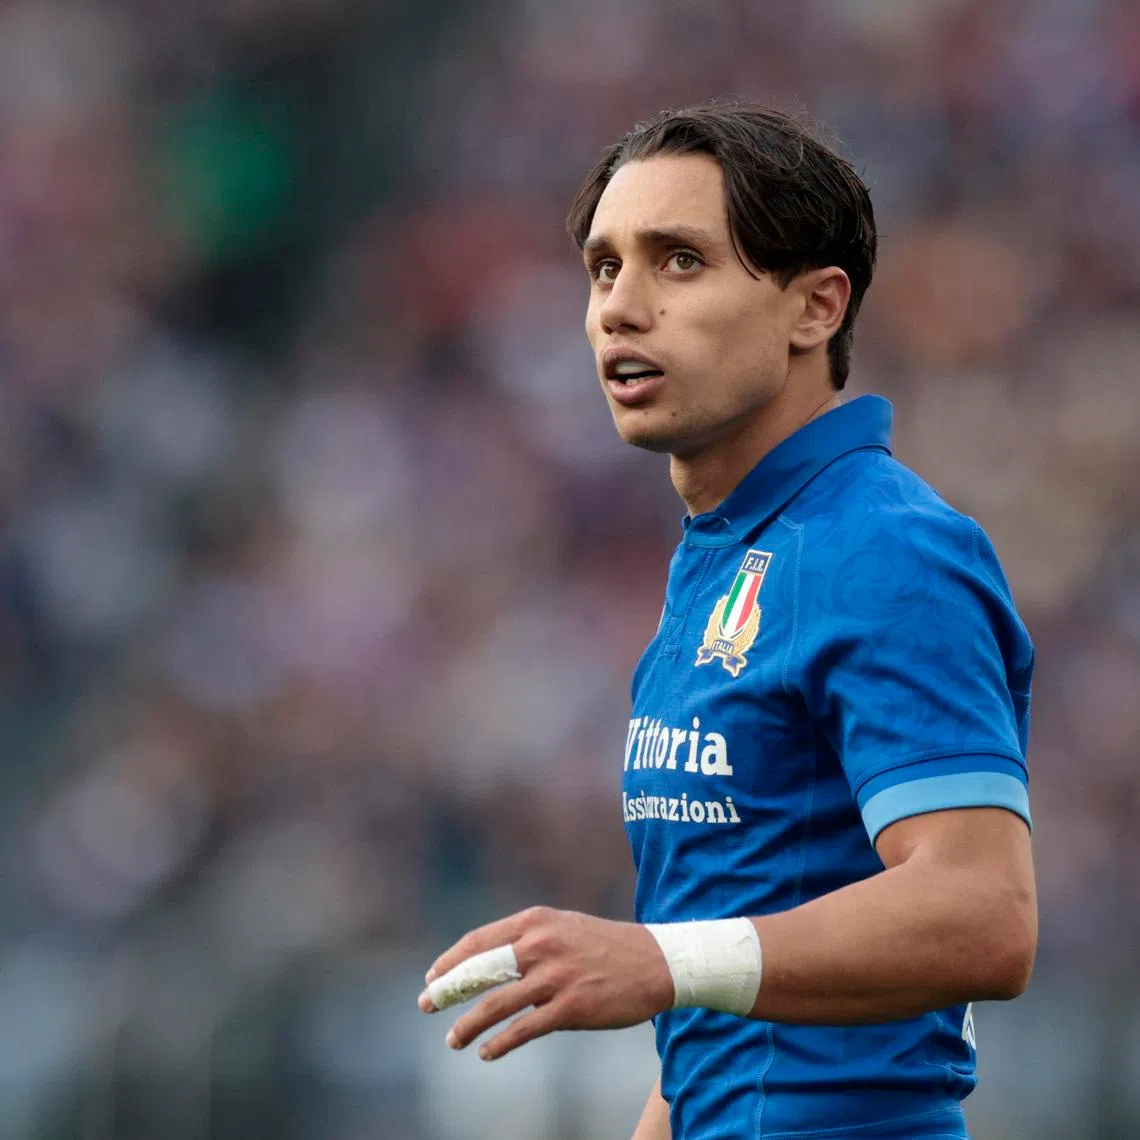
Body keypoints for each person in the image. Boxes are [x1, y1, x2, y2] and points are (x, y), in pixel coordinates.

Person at [417, 101, 1037, 1140]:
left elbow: (985, 914)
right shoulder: (725, 557)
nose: (620, 306)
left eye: (679, 262)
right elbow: (724, 1015)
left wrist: (655, 962)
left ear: (815, 308)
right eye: (604, 267)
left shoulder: (884, 549)